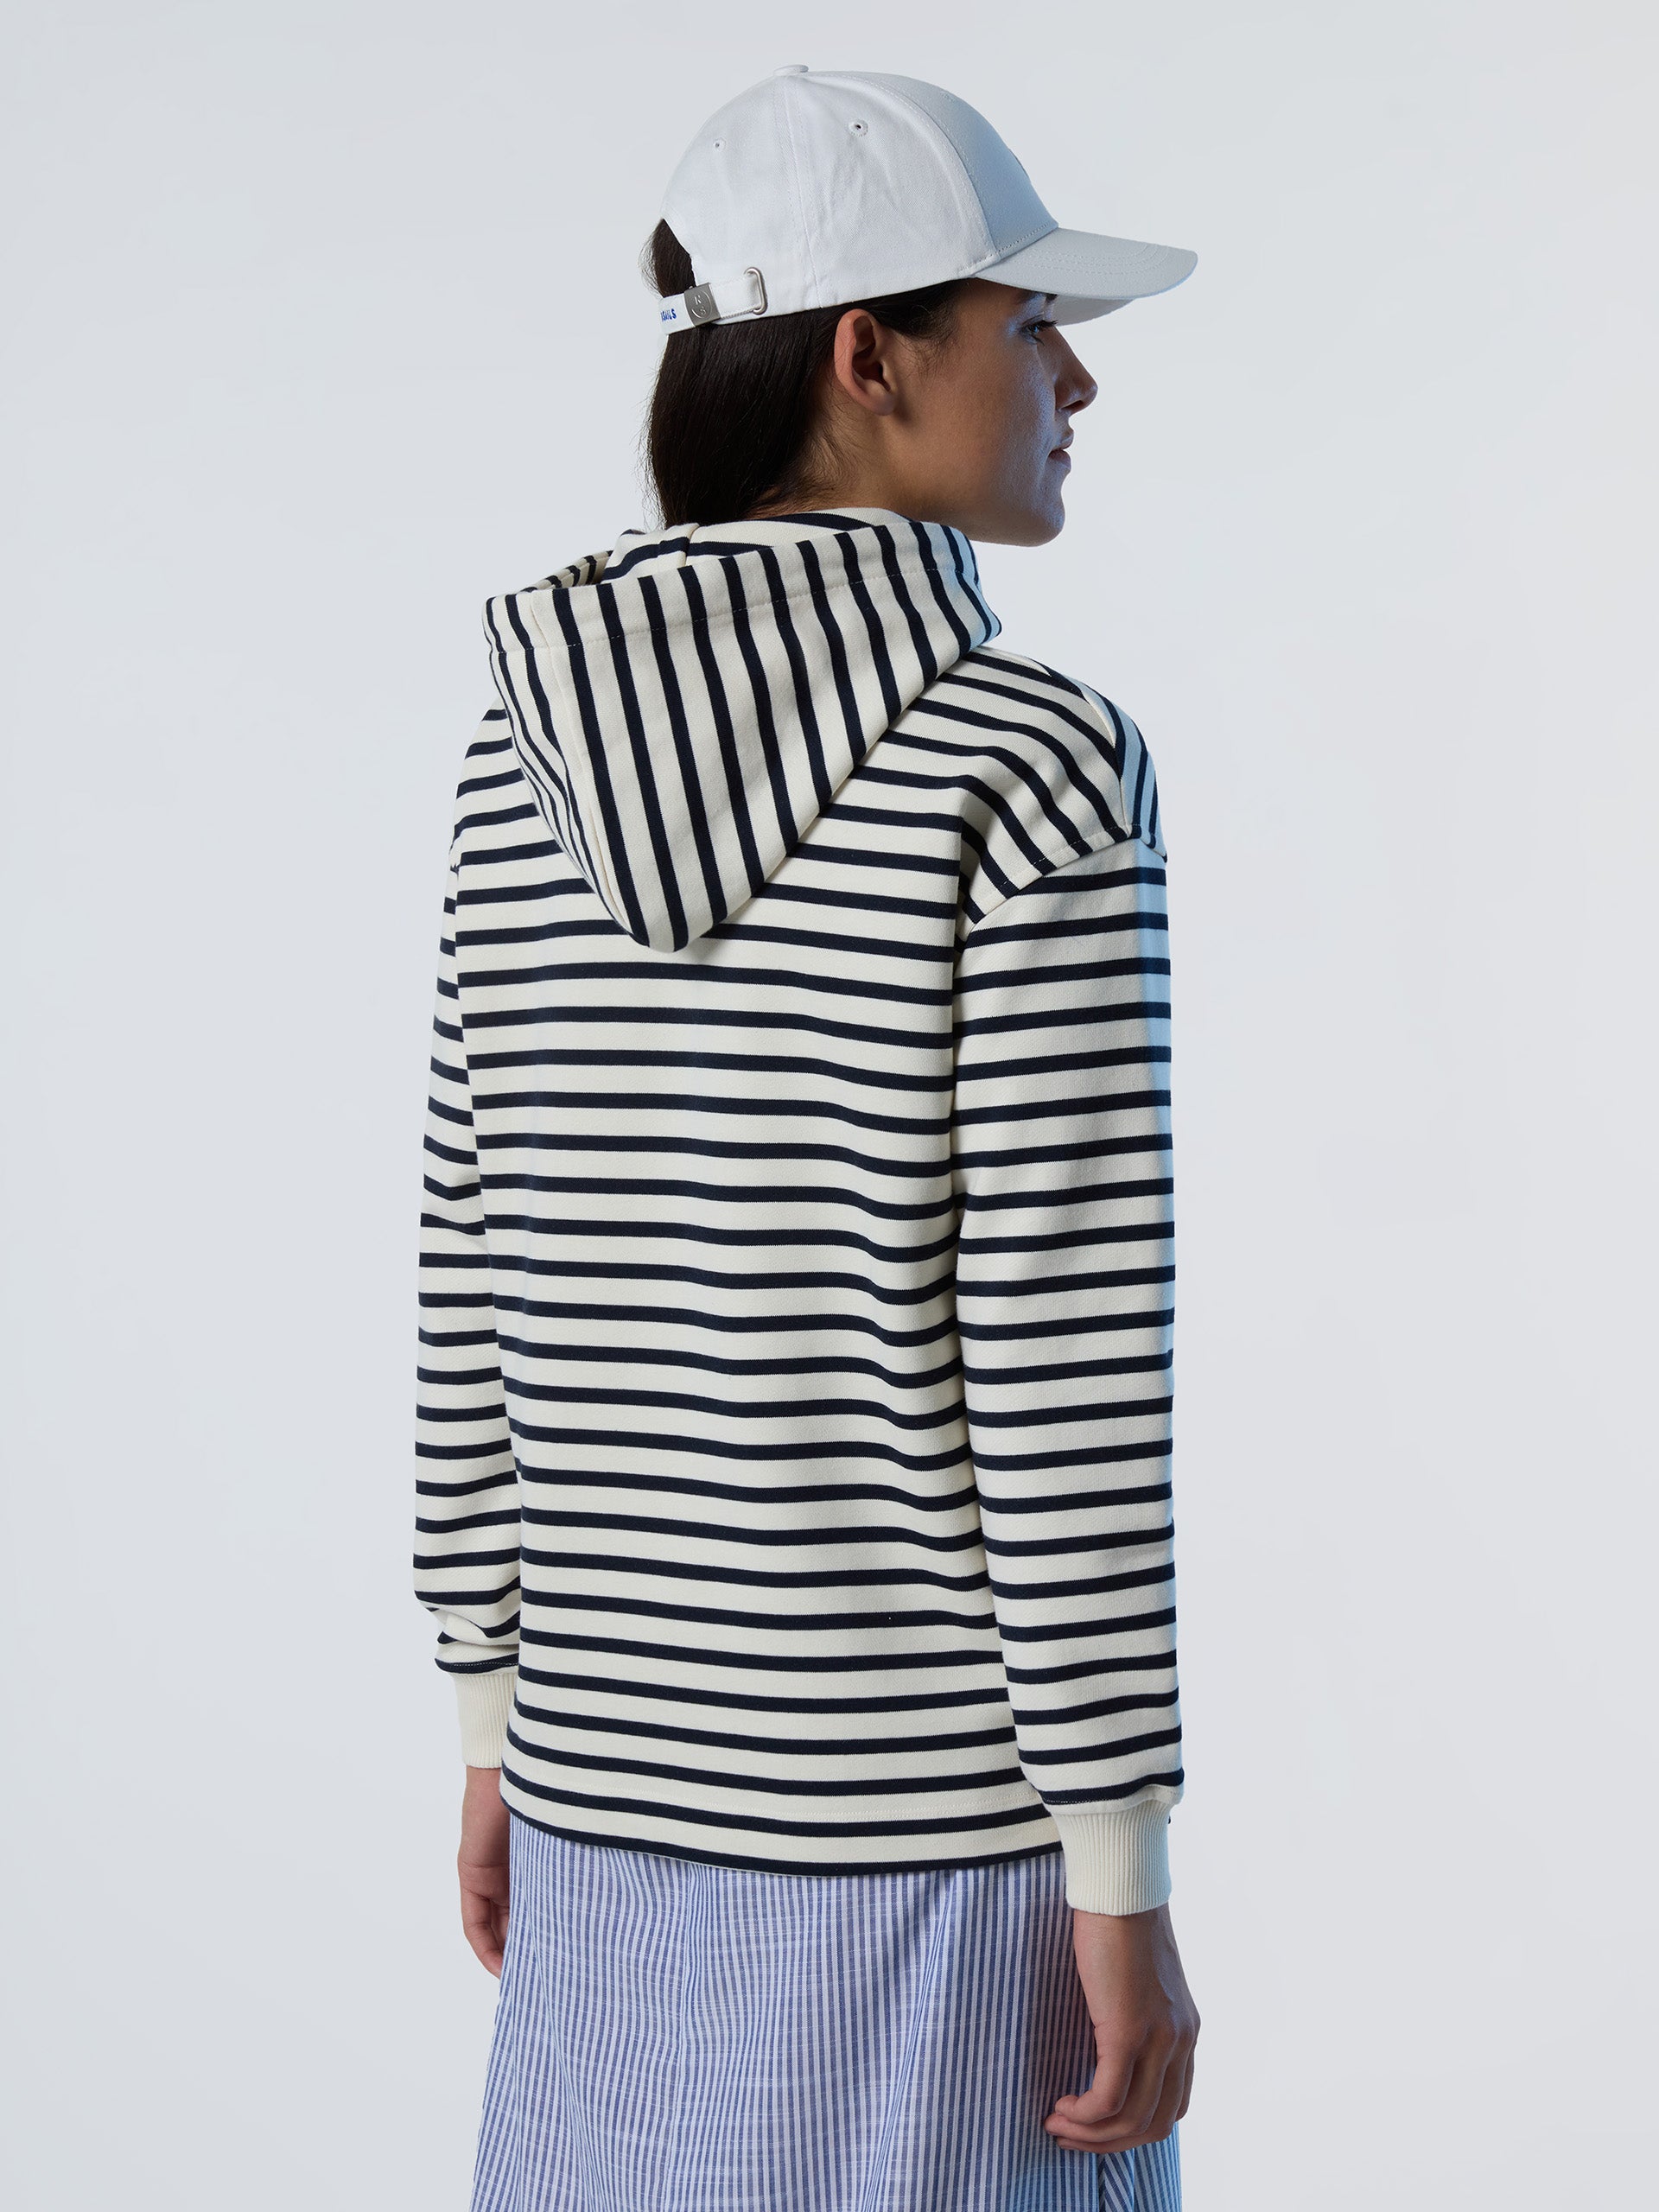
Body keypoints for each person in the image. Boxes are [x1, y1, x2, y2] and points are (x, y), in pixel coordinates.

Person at [415, 65, 1199, 2212]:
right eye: (1029, 321)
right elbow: (1060, 1360)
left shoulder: (517, 759)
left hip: (595, 1804)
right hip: (934, 1855)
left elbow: (473, 1280)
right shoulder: (1031, 768)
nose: (1076, 381)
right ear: (870, 356)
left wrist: (490, 1721)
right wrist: (1118, 1865)